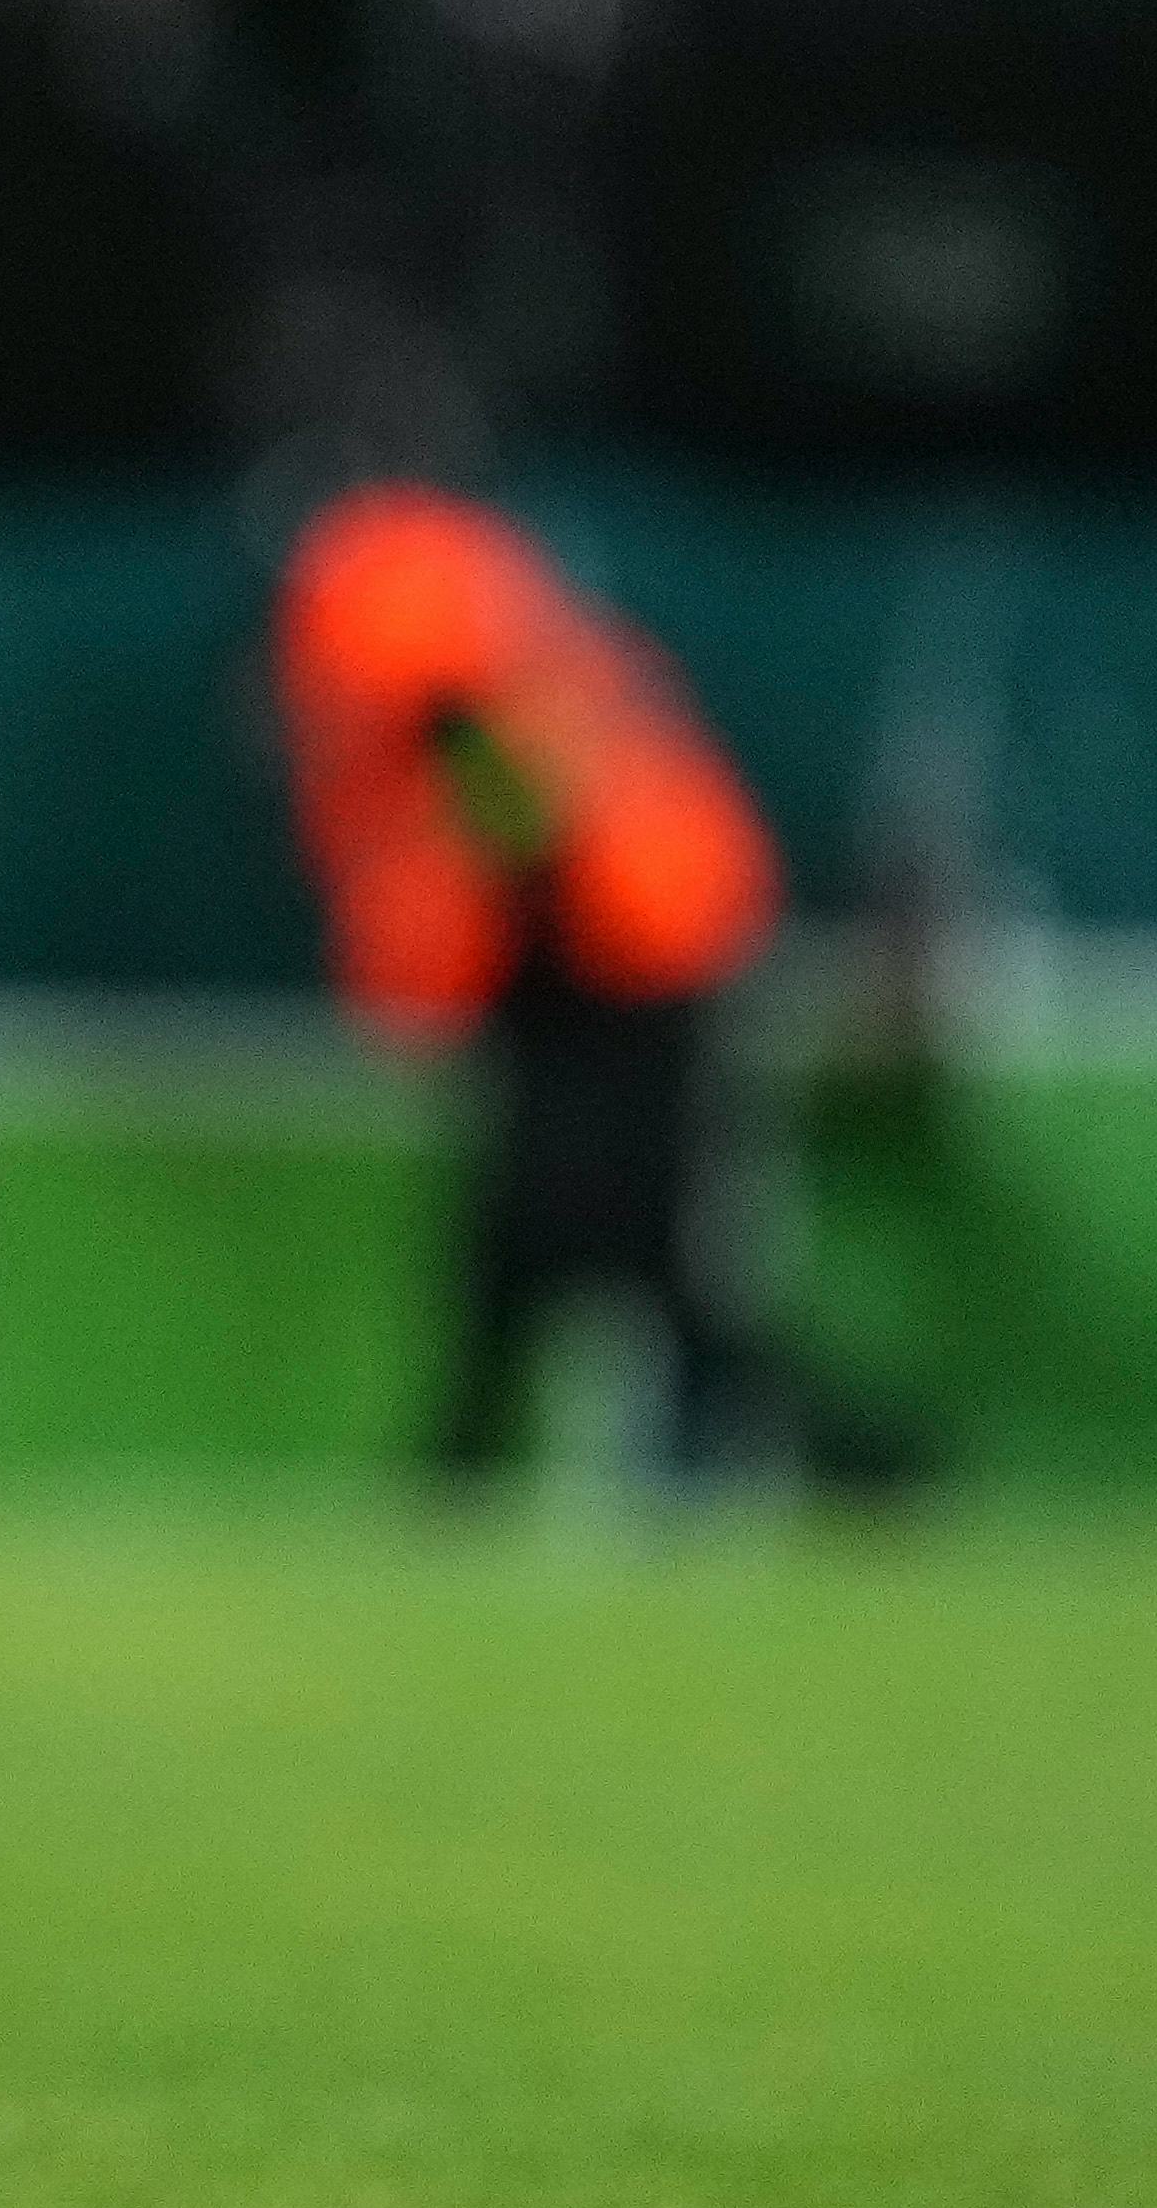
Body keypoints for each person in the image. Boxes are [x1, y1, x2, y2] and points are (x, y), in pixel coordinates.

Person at [271, 482, 837, 1490]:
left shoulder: (470, 728)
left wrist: (424, 940)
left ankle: (850, 1452)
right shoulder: (528, 691)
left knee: (607, 1256)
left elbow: (505, 852)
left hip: (623, 989)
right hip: (601, 983)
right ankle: (465, 1462)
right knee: (554, 1260)